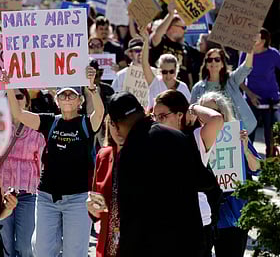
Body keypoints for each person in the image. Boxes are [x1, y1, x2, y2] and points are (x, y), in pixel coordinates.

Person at [1, 66, 104, 257]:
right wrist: (9, 86)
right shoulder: (50, 122)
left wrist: (92, 88)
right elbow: (20, 115)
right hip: (47, 197)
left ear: (80, 101)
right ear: (56, 100)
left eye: (71, 95)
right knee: (41, 251)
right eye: (62, 95)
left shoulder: (86, 124)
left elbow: (100, 113)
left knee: (74, 252)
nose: (66, 99)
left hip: (78, 198)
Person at [107, 91, 217, 257]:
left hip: (154, 246)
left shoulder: (129, 155)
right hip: (190, 243)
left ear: (116, 125)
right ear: (143, 111)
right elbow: (206, 181)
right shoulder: (177, 136)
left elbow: (131, 217)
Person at [153, 90, 224, 257]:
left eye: (162, 116)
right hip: (164, 223)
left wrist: (192, 108)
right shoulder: (153, 139)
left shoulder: (195, 139)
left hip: (196, 222)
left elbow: (217, 119)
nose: (157, 121)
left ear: (179, 115)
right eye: (154, 116)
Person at [197, 92, 261, 257]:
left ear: (223, 114)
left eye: (213, 112)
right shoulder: (197, 138)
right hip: (206, 216)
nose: (208, 117)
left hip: (234, 213)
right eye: (204, 112)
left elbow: (257, 168)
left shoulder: (237, 136)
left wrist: (245, 149)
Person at [0, 88, 46, 257]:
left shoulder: (38, 129)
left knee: (26, 247)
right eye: (9, 95)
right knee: (5, 247)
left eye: (18, 96)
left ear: (27, 101)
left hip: (27, 195)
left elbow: (43, 161)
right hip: (1, 195)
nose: (14, 99)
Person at [191, 48, 257, 135]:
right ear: (206, 65)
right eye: (210, 60)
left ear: (222, 64)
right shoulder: (197, 88)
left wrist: (250, 50)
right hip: (213, 133)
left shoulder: (231, 80)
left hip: (240, 131)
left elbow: (246, 67)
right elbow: (193, 113)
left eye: (217, 59)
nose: (213, 62)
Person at [239, 28, 280, 157]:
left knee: (271, 137)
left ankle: (271, 166)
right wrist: (250, 95)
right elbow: (238, 78)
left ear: (262, 40)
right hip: (251, 100)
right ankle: (249, 164)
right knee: (248, 134)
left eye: (255, 36)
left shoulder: (273, 54)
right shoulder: (246, 53)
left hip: (271, 100)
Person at [86, 115, 122, 257]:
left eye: (125, 123)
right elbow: (96, 196)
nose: (119, 129)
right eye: (113, 123)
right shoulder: (104, 155)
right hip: (108, 240)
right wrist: (92, 207)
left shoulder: (144, 155)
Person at [141, 30, 191, 110]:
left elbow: (188, 109)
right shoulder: (154, 82)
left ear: (176, 70)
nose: (168, 75)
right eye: (164, 72)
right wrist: (146, 41)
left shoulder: (182, 87)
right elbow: (144, 63)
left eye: (171, 71)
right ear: (159, 70)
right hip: (156, 121)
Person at [149, 2, 193, 88]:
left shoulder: (184, 47)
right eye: (183, 27)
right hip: (161, 87)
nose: (185, 31)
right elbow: (156, 35)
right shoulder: (162, 41)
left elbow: (188, 73)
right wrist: (171, 14)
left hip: (179, 91)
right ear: (173, 27)